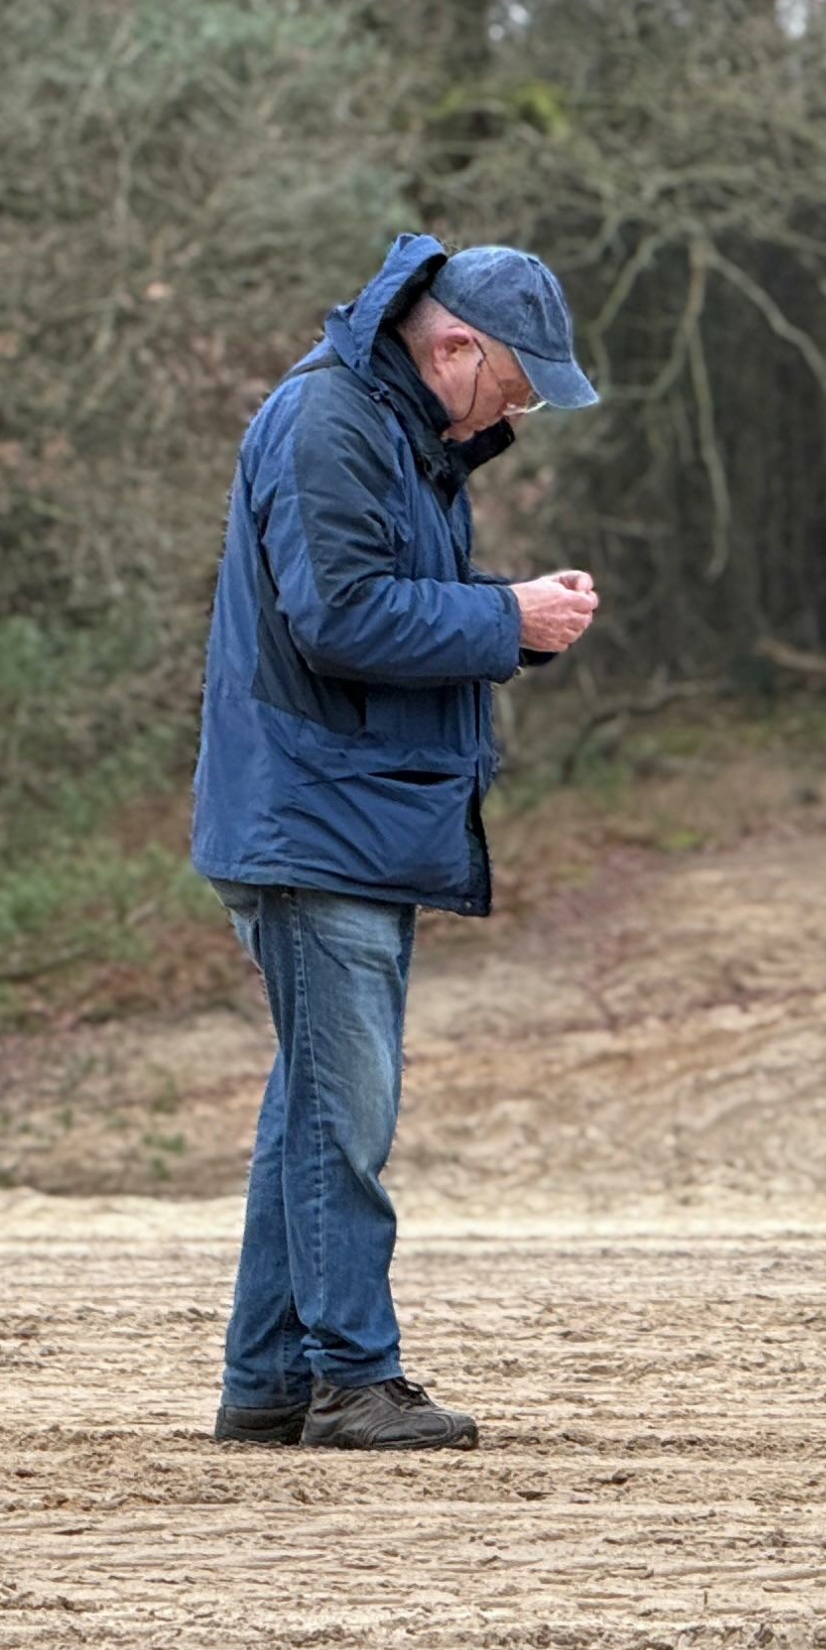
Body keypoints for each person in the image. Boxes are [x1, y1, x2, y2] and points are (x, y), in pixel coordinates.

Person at [189, 235, 604, 1453]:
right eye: (517, 383)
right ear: (453, 346)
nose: (521, 408)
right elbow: (341, 617)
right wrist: (501, 615)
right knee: (343, 1117)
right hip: (314, 823)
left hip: (338, 814)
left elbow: (369, 607)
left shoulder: (393, 437)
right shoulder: (327, 423)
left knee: (313, 1106)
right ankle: (350, 1378)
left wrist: (510, 628)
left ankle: (269, 1379)